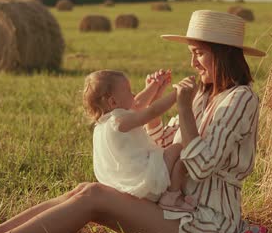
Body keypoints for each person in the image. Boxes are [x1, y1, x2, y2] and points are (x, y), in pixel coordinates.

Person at [0, 10, 267, 233]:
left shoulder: (239, 100)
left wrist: (182, 106)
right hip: (174, 210)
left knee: (93, 196)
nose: (192, 63)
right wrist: (161, 108)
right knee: (83, 188)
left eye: (200, 54)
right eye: (192, 54)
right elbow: (164, 142)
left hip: (207, 224)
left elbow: (202, 163)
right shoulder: (202, 96)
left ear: (222, 55)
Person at [84, 69, 197, 210]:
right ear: (113, 102)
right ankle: (172, 196)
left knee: (172, 153)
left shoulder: (103, 124)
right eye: (129, 91)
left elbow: (137, 103)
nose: (134, 94)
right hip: (148, 181)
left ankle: (170, 194)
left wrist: (154, 86)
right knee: (178, 148)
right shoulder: (118, 121)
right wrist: (178, 94)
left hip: (133, 187)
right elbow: (151, 112)